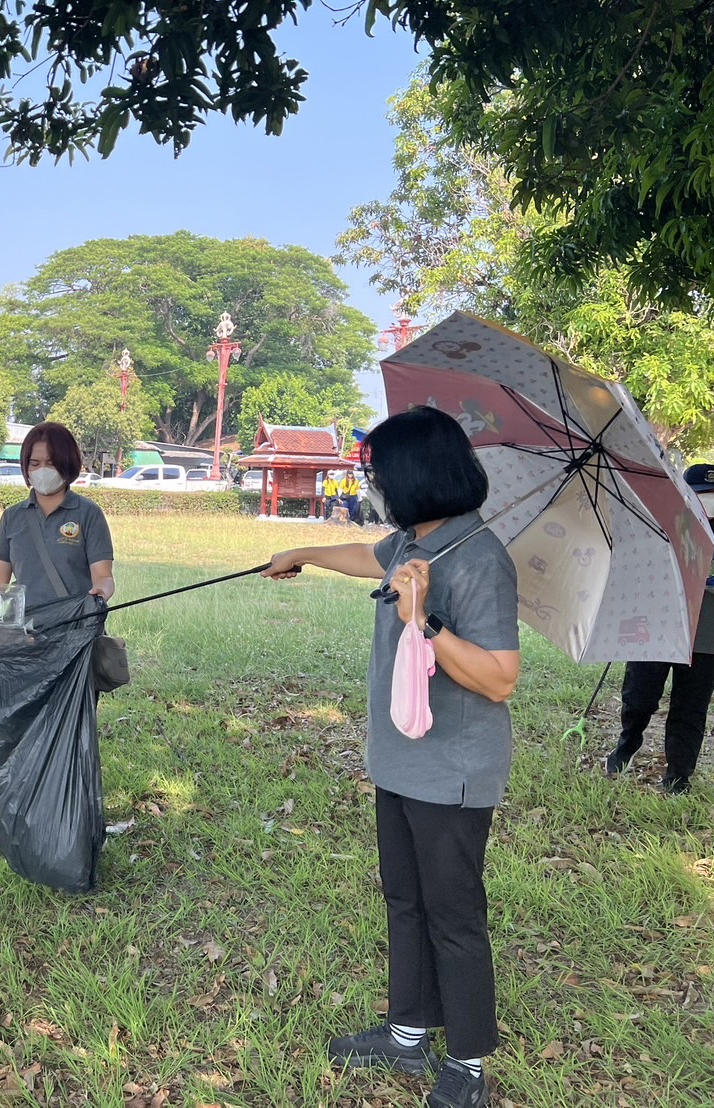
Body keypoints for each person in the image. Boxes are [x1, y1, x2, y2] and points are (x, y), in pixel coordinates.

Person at [263, 406, 520, 1108]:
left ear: (414, 475)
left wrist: (424, 621)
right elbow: (366, 556)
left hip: (453, 771)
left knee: (453, 914)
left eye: (377, 473)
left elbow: (499, 677)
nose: (371, 483)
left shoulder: (477, 558)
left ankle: (466, 1063)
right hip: (401, 761)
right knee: (404, 900)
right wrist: (303, 555)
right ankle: (408, 1035)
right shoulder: (414, 539)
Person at [608, 464, 714, 793]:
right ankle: (627, 745)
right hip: (655, 631)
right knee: (639, 698)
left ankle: (679, 775)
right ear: (685, 495)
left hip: (705, 639)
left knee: (690, 710)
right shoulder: (659, 530)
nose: (711, 500)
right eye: (702, 494)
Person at [0, 422, 114, 641]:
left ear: (67, 463)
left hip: (76, 635)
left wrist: (100, 593)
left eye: (51, 463)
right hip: (27, 636)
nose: (42, 470)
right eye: (34, 463)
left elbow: (103, 576)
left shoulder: (88, 514)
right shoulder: (12, 518)